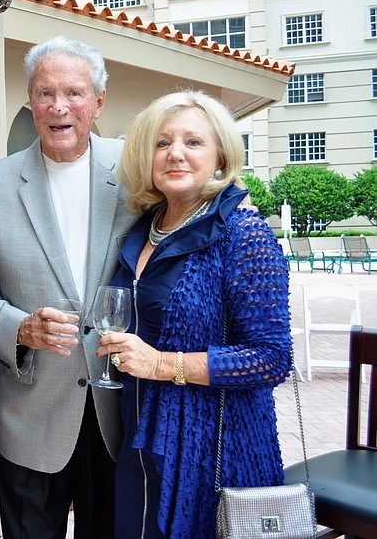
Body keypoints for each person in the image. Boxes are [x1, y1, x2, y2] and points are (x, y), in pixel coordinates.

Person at [0, 36, 137, 539]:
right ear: (30, 101)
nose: (59, 107)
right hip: (30, 418)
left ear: (98, 102)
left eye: (74, 93)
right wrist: (20, 328)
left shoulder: (138, 172)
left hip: (120, 412)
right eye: (44, 93)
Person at [96, 90, 292, 538]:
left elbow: (271, 358)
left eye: (193, 142)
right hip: (140, 433)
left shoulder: (244, 234)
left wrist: (162, 364)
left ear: (221, 155)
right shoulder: (141, 229)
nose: (175, 154)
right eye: (162, 143)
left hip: (212, 446)